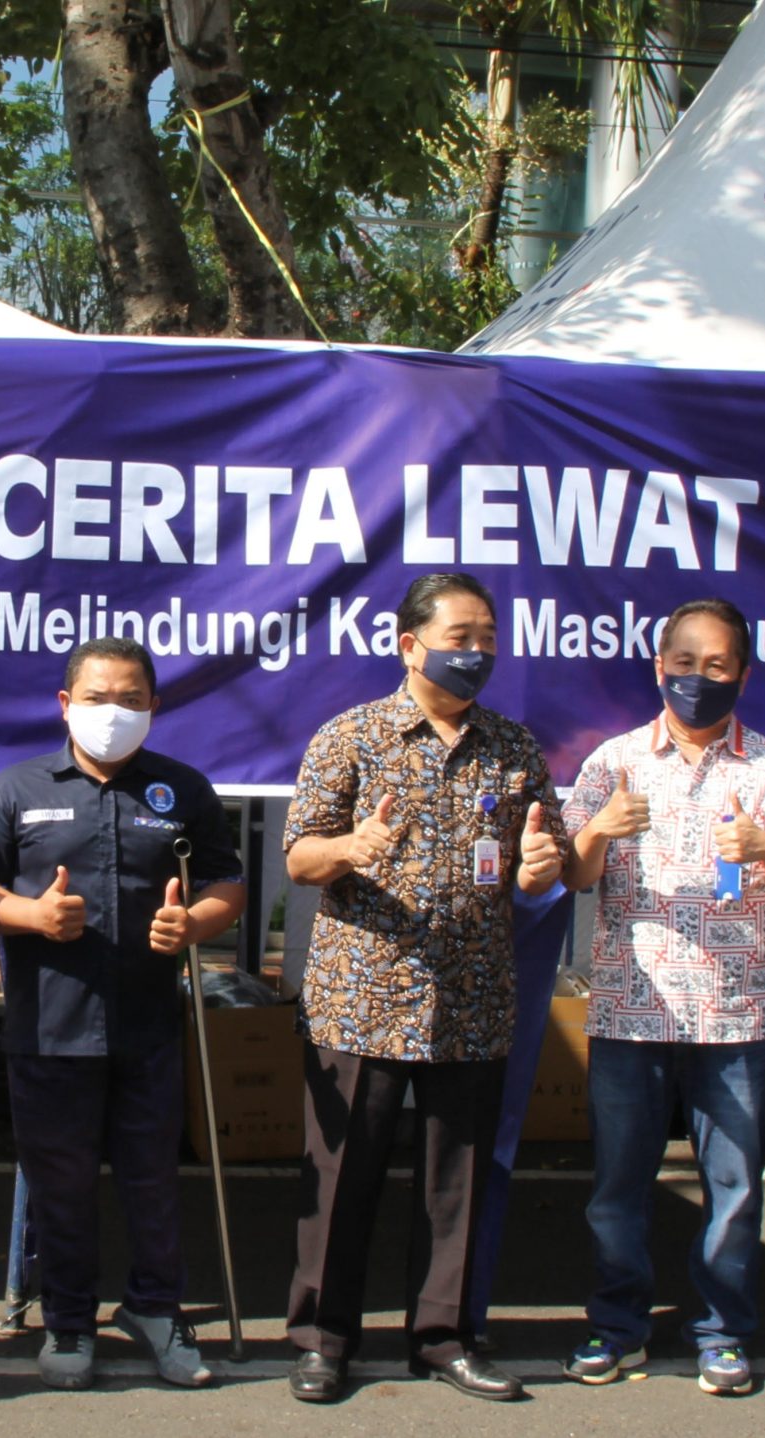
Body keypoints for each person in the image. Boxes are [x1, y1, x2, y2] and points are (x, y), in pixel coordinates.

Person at [279, 573, 568, 1405]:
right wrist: (351, 847)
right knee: (342, 1181)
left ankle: (444, 1339)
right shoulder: (351, 736)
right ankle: (324, 1342)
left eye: (488, 639)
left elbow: (540, 865)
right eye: (459, 637)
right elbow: (298, 857)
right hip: (363, 999)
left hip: (472, 999)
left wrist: (541, 866)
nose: (475, 652)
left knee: (457, 1185)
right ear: (410, 645)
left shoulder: (513, 748)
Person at [0, 636, 246, 1391]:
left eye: (130, 700)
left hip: (149, 1030)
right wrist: (29, 914)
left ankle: (155, 1310)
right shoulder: (16, 788)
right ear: (65, 704)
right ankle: (69, 1321)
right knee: (62, 1186)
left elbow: (227, 884)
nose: (113, 712)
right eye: (97, 698)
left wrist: (195, 924)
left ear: (154, 706)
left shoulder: (182, 789)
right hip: (48, 1030)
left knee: (153, 1181)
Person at [559, 597, 765, 1398]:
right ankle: (617, 1326)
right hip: (629, 1009)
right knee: (619, 1186)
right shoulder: (614, 761)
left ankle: (722, 1333)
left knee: (734, 1190)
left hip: (737, 1016)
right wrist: (599, 828)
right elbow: (572, 875)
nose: (698, 679)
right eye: (685, 663)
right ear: (659, 667)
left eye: (717, 666)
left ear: (743, 674)